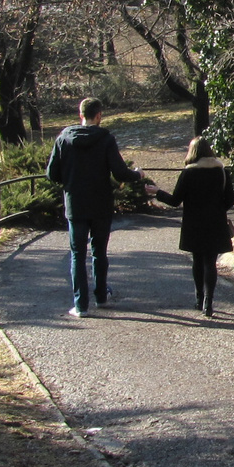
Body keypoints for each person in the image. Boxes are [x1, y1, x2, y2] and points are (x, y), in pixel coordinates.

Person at [46, 97, 152, 318]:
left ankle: (80, 305)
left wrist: (69, 179)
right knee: (99, 252)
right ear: (99, 115)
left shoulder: (63, 138)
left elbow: (51, 174)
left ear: (80, 115)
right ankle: (101, 296)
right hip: (101, 203)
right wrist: (138, 174)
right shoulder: (106, 139)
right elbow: (120, 172)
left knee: (77, 254)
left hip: (75, 204)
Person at [153, 138, 234, 317]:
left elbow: (175, 201)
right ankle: (209, 301)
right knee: (210, 263)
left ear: (192, 152)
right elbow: (231, 199)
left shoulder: (188, 174)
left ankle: (199, 298)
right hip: (215, 222)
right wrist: (218, 209)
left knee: (198, 261)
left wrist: (157, 192)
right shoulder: (221, 172)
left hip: (194, 223)